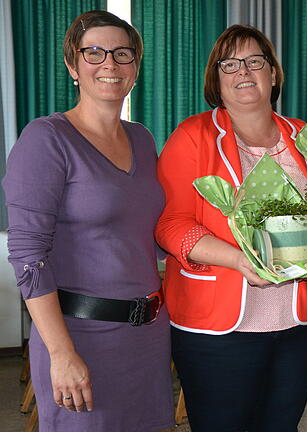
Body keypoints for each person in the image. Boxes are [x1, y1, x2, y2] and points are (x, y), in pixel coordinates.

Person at [3, 10, 173, 431]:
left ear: (136, 67)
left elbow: (147, 236)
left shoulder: (142, 137)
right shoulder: (46, 138)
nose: (109, 64)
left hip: (148, 337)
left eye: (122, 53)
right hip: (80, 339)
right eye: (94, 52)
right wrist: (60, 353)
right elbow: (28, 255)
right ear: (72, 65)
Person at [154, 25, 307, 431]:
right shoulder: (192, 137)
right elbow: (170, 225)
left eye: (254, 61)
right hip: (217, 327)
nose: (242, 71)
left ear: (273, 73)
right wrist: (238, 258)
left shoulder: (305, 137)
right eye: (228, 64)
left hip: (296, 320)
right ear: (216, 79)